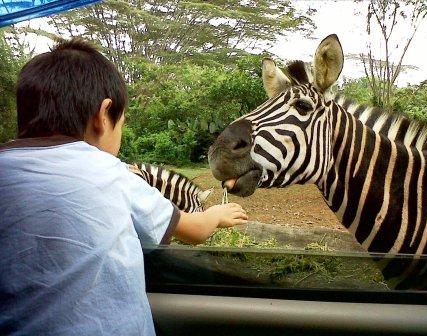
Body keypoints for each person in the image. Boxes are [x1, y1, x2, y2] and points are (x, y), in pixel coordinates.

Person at [0, 38, 248, 335]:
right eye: (122, 123)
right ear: (103, 116)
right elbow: (193, 231)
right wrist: (217, 215)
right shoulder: (113, 173)